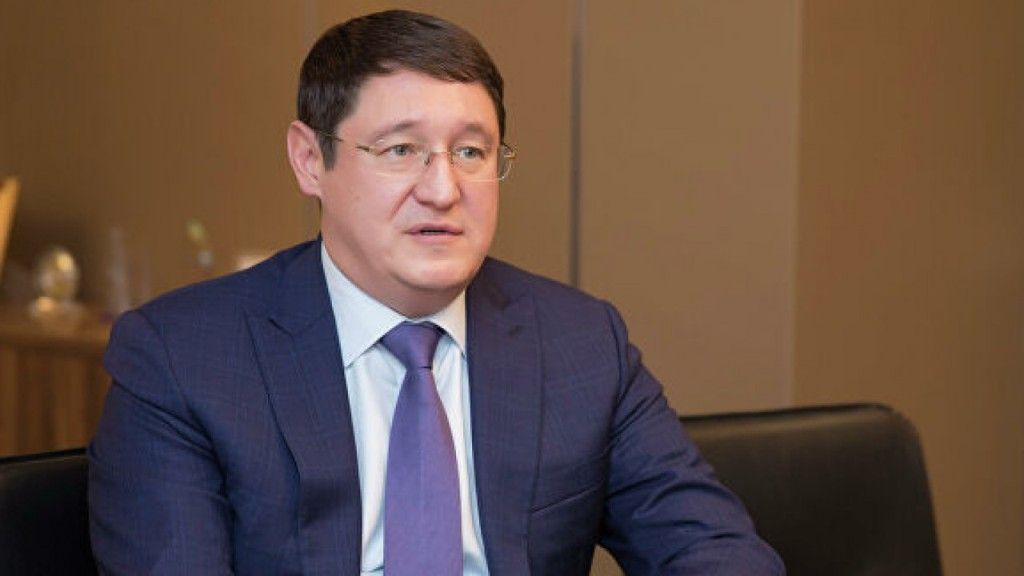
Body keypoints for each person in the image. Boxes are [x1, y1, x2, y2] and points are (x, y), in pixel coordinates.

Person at [88, 9, 784, 576]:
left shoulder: (581, 344)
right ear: (309, 160)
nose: (444, 189)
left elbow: (714, 550)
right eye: (401, 150)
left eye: (471, 152)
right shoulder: (185, 359)